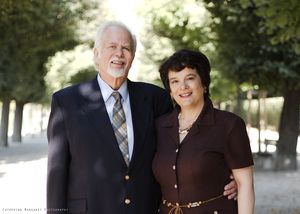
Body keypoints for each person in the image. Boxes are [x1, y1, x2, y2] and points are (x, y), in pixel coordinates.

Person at [47, 21, 238, 214]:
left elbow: (184, 145)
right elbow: (56, 173)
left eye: (126, 48)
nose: (119, 54)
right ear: (96, 54)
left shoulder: (157, 99)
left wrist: (226, 174)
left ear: (133, 56)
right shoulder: (66, 102)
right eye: (112, 46)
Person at [153, 49, 254, 214]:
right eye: (174, 81)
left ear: (204, 82)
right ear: (170, 90)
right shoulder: (158, 127)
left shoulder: (229, 125)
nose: (183, 87)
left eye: (190, 78)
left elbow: (245, 184)